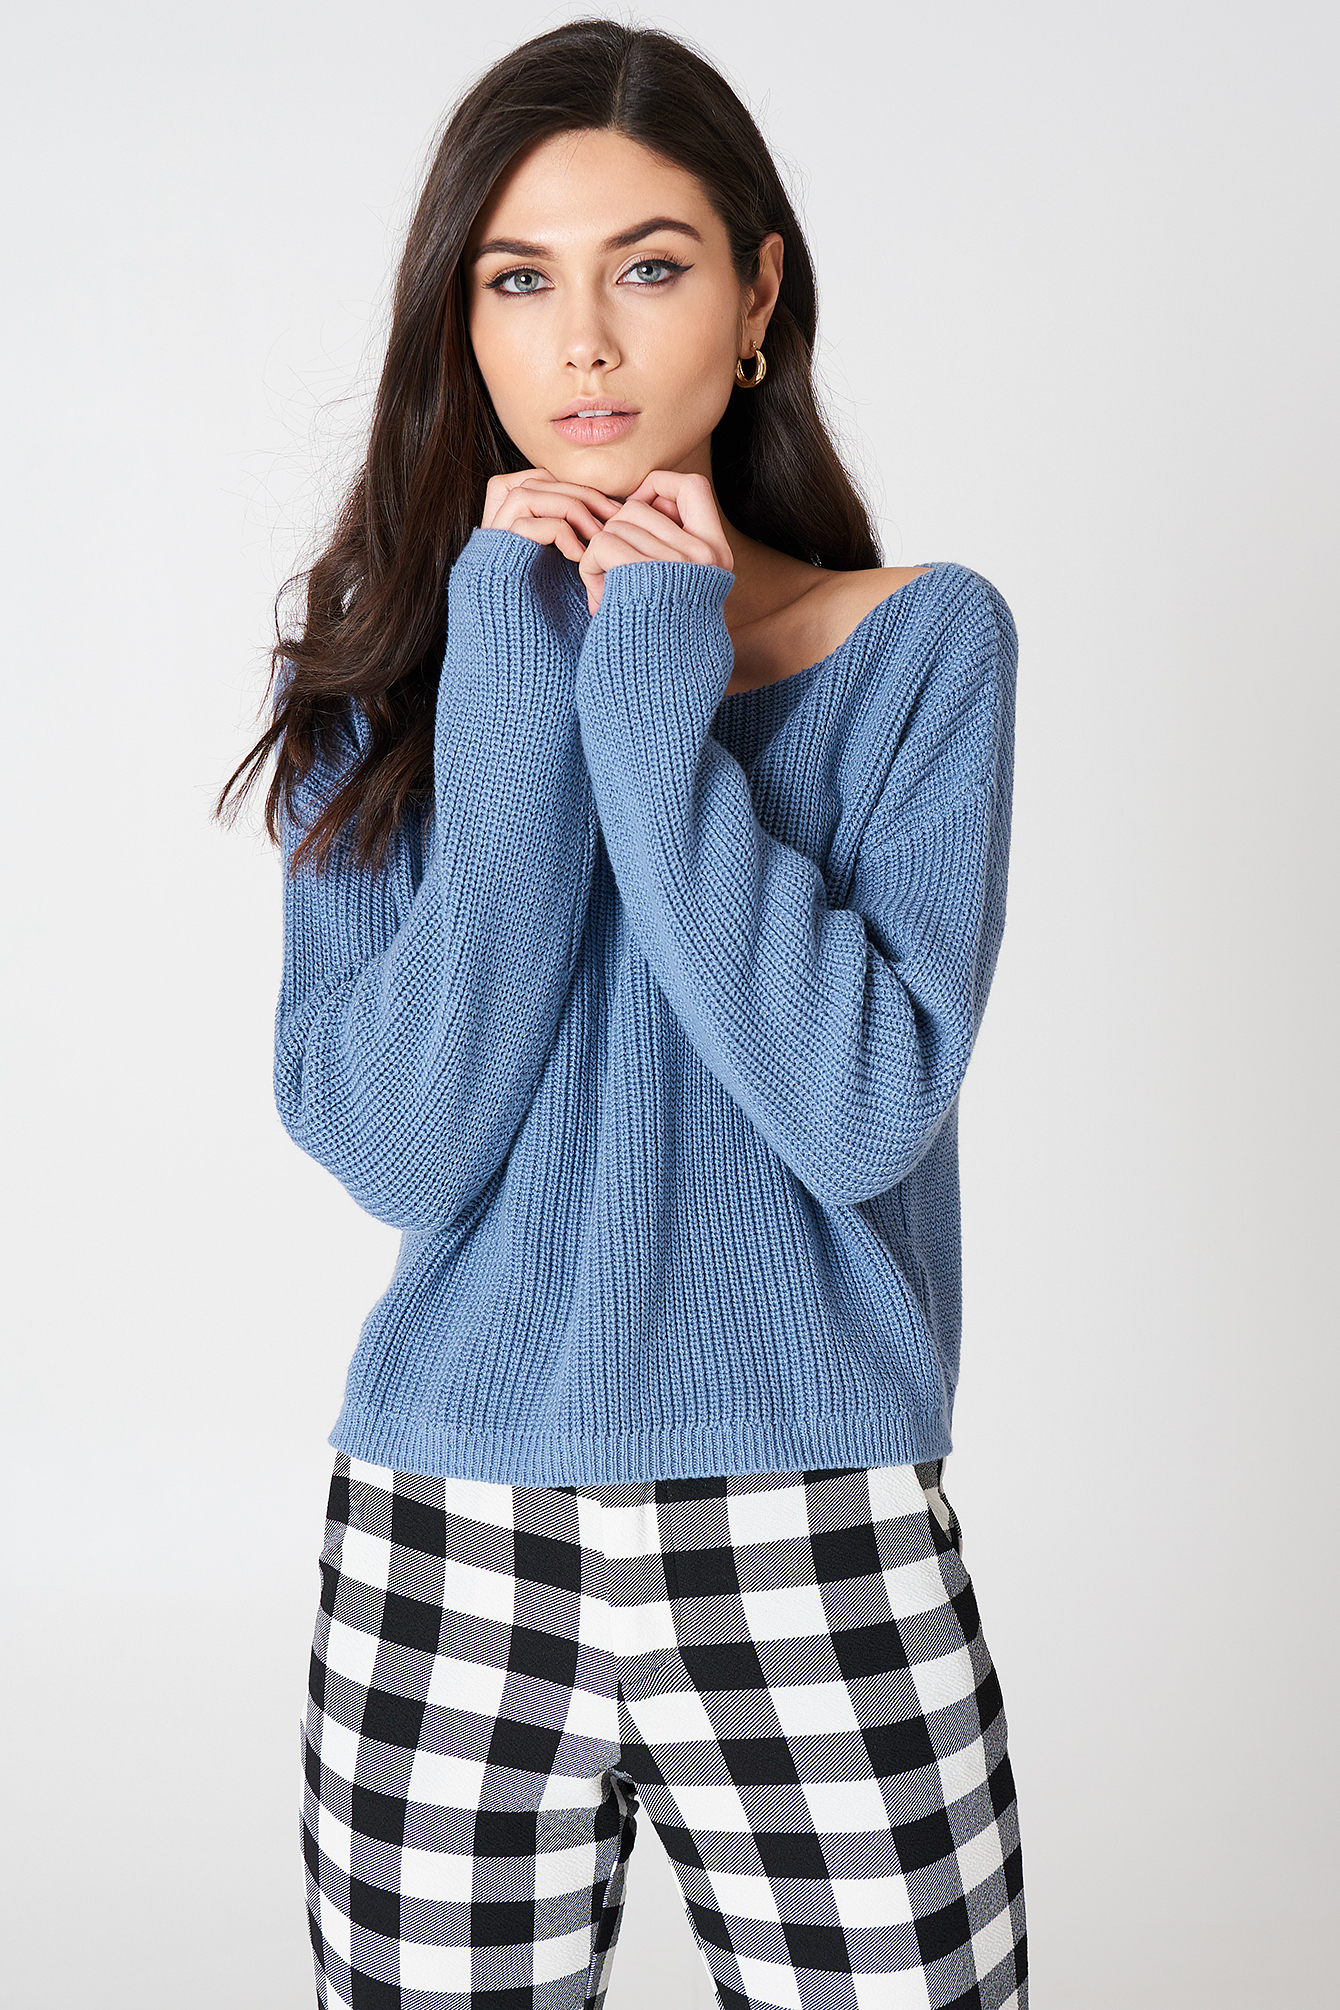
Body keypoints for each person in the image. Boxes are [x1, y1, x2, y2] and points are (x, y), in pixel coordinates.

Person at [219, 18, 1026, 2009]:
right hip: (444, 1536)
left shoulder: (917, 645)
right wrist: (513, 679)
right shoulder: (375, 686)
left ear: (756, 299)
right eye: (521, 279)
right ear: (464, 325)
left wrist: (651, 699)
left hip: (813, 1526)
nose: (582, 340)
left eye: (648, 266)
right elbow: (404, 1147)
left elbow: (859, 1106)